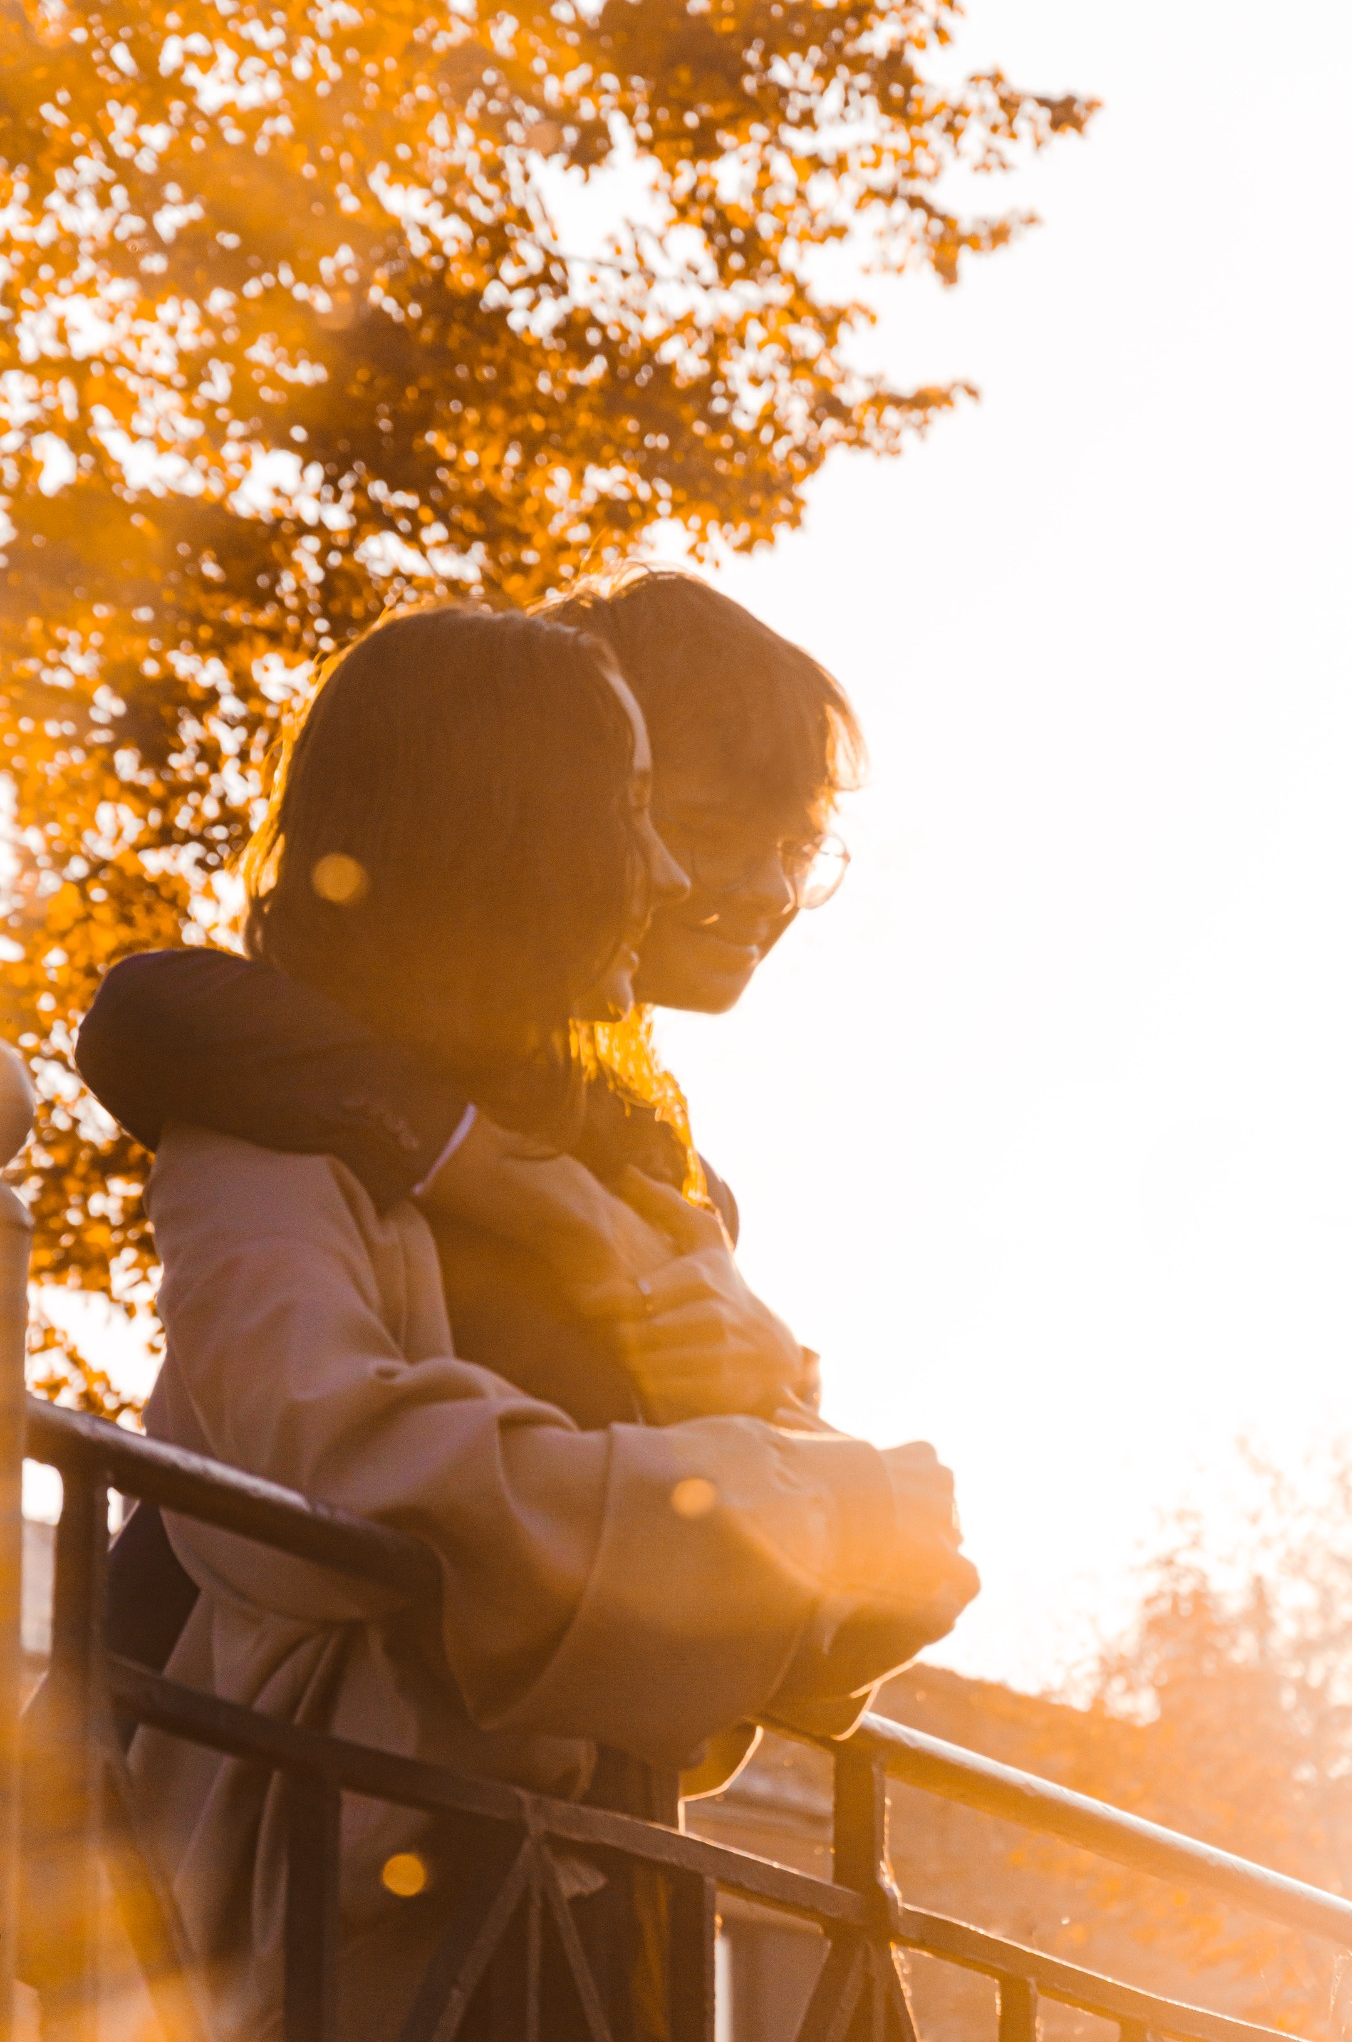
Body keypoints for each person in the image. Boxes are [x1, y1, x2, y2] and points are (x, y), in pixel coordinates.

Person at [118, 599, 977, 2042]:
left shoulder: (651, 1171)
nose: (669, 879)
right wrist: (813, 1506)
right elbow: (331, 1471)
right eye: (654, 816)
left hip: (590, 1887)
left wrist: (822, 1507)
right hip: (364, 1889)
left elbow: (834, 1591)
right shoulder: (284, 1108)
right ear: (516, 823)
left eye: (790, 849)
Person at [77, 569, 865, 1691]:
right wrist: (504, 1177)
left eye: (797, 847)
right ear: (556, 792)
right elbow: (153, 1013)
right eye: (690, 822)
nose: (752, 887)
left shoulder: (662, 1164)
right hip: (227, 1723)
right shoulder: (316, 1053)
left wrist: (776, 1378)